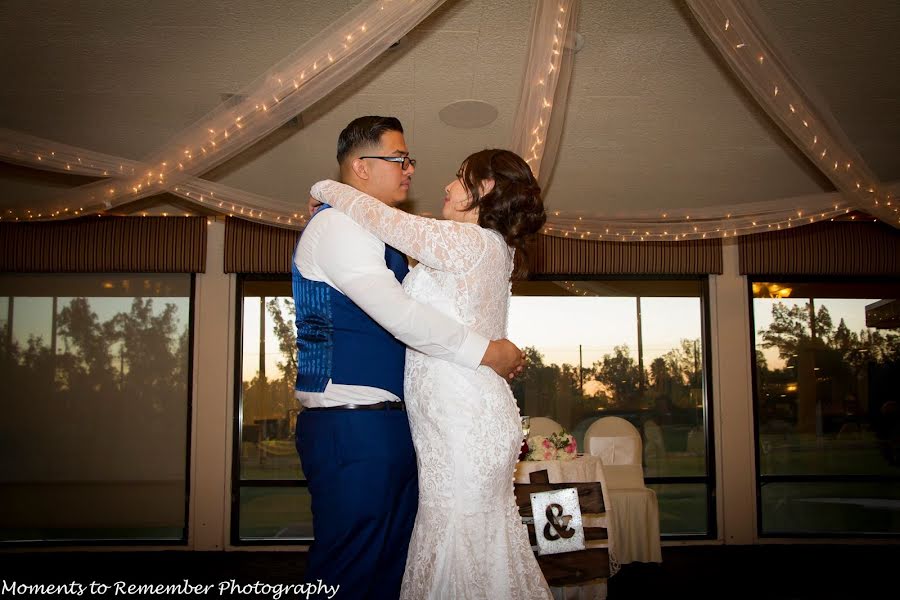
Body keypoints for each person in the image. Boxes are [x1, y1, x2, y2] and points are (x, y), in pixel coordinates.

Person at [292, 116, 525, 600]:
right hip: (352, 425)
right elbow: (399, 314)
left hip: (403, 426)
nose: (411, 170)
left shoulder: (392, 236)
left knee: (396, 567)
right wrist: (489, 353)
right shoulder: (338, 225)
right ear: (360, 167)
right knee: (350, 569)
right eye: (399, 158)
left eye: (408, 160)